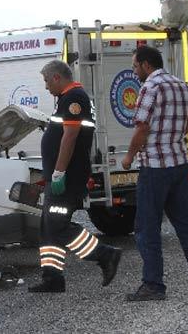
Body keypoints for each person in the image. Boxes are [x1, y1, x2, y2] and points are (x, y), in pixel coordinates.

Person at [122, 46, 188, 301]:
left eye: (135, 66)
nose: (134, 71)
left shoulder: (150, 88)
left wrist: (130, 156)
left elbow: (142, 128)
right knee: (186, 225)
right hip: (180, 164)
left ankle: (153, 285)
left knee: (146, 228)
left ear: (146, 65)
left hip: (154, 167)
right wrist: (182, 130)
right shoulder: (181, 84)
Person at [28, 60, 122, 293]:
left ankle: (105, 255)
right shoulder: (67, 98)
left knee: (57, 225)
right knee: (48, 226)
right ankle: (52, 278)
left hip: (67, 178)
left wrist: (59, 173)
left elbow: (69, 138)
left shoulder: (74, 98)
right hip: (61, 175)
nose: (47, 86)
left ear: (57, 77)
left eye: (47, 81)